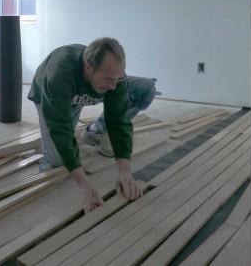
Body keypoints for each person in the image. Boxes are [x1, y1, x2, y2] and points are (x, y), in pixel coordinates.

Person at [27, 37, 156, 213]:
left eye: (117, 79)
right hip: (49, 96)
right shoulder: (59, 74)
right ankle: (46, 145)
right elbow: (60, 127)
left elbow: (119, 122)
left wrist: (124, 170)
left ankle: (95, 131)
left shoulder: (115, 81)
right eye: (109, 79)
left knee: (146, 87)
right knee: (58, 161)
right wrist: (83, 183)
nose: (112, 87)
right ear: (88, 67)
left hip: (81, 91)